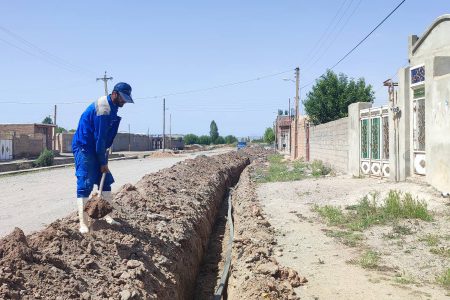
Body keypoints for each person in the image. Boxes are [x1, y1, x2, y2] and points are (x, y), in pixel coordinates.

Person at [72, 82, 134, 233]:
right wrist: (102, 162)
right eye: (122, 98)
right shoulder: (103, 109)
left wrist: (103, 160)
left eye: (126, 99)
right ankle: (83, 223)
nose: (124, 102)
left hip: (97, 147)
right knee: (85, 183)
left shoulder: (113, 107)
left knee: (105, 181)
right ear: (114, 94)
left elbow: (103, 139)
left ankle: (107, 216)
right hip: (85, 147)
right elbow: (99, 138)